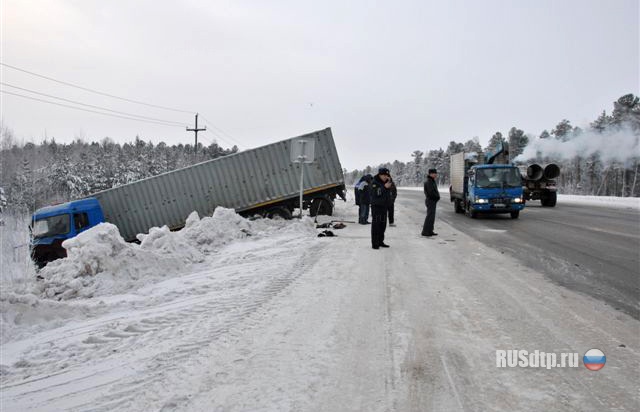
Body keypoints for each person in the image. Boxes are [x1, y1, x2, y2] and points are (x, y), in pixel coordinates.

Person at [370, 168, 392, 249]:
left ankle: (380, 241)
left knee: (383, 225)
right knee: (376, 225)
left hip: (384, 207)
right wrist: (384, 187)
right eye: (384, 175)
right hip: (376, 207)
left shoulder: (386, 182)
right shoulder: (374, 182)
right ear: (380, 175)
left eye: (387, 175)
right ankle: (375, 244)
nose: (385, 177)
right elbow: (375, 193)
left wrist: (389, 181)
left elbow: (388, 194)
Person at [422, 168, 440, 236]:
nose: (435, 174)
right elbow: (430, 193)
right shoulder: (429, 181)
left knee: (432, 217)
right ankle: (425, 231)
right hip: (430, 200)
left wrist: (437, 197)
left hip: (432, 201)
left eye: (436, 173)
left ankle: (430, 230)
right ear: (430, 174)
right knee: (429, 216)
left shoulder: (432, 180)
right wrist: (436, 197)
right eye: (434, 173)